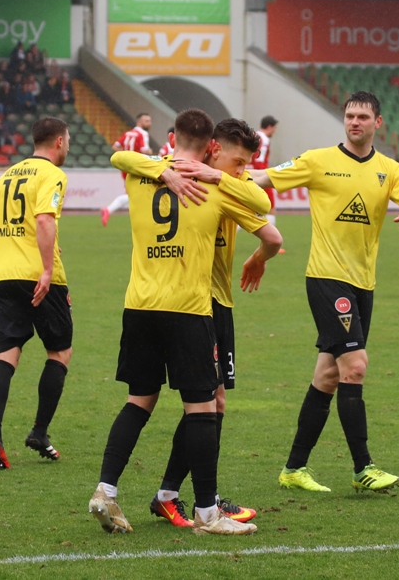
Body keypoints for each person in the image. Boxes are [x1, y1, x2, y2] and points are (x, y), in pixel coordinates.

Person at [89, 108, 275, 536]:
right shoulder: (215, 187)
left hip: (139, 306)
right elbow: (263, 203)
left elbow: (119, 157)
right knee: (203, 407)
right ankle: (207, 514)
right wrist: (216, 177)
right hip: (188, 308)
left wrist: (162, 170)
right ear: (211, 147)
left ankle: (105, 491)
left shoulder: (141, 177)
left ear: (172, 138)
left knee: (139, 400)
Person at [250, 90, 399, 493]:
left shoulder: (389, 169)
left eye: (363, 117)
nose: (354, 122)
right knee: (355, 366)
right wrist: (214, 172)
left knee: (329, 375)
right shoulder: (317, 161)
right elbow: (261, 178)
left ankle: (294, 469)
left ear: (377, 123)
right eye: (350, 116)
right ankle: (363, 467)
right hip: (326, 278)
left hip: (363, 283)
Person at [0, 117, 73, 470]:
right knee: (59, 352)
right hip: (39, 277)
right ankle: (39, 432)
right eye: (68, 140)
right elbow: (45, 220)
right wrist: (46, 269)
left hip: (3, 275)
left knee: (8, 352)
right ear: (59, 141)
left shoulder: (6, 176)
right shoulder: (52, 175)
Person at [100, 113, 153, 227]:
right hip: (137, 167)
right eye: (146, 121)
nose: (149, 123)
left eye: (149, 121)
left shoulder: (128, 133)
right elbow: (144, 150)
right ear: (139, 122)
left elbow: (115, 146)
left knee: (132, 193)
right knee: (137, 193)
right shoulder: (143, 134)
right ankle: (108, 209)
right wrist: (150, 152)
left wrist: (125, 157)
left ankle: (113, 211)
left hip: (126, 167)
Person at [249, 115, 278, 227]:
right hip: (259, 175)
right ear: (269, 126)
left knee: (246, 209)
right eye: (274, 128)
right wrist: (264, 176)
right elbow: (259, 160)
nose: (275, 131)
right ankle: (273, 236)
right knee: (271, 208)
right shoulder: (264, 139)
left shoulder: (253, 135)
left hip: (247, 174)